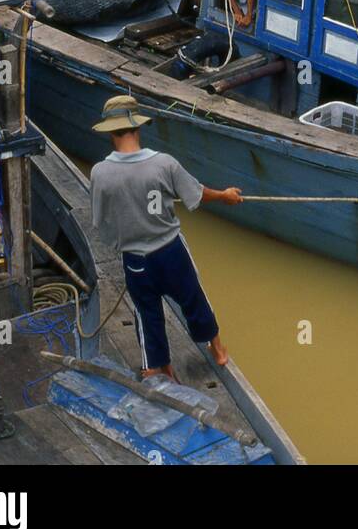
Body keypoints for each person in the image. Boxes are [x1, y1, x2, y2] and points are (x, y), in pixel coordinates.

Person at [89, 94, 243, 378]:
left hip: (136, 260)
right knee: (193, 298)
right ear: (137, 127)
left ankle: (158, 369)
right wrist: (225, 195)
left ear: (110, 131)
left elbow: (100, 223)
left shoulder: (101, 173)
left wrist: (121, 242)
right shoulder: (164, 164)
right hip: (171, 251)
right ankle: (218, 349)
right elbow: (196, 194)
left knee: (147, 314)